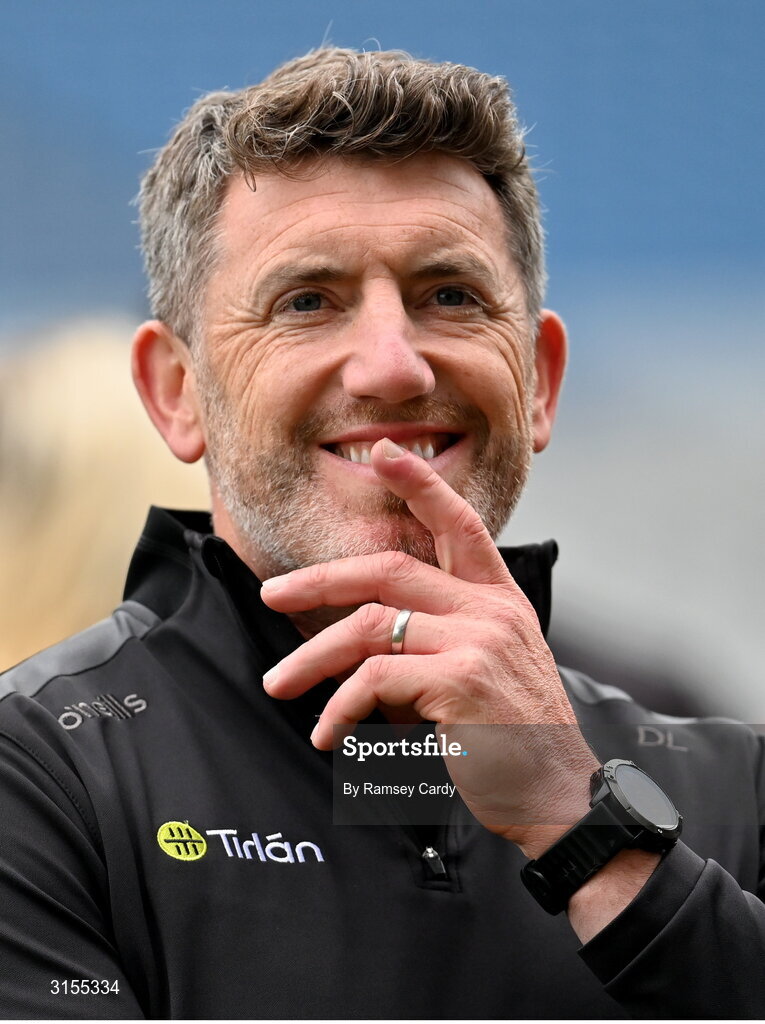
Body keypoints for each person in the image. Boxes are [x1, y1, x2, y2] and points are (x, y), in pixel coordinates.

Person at [0, 47, 762, 1020]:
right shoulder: (35, 777)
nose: (392, 367)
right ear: (176, 391)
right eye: (307, 301)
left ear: (540, 378)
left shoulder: (732, 779)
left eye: (450, 294)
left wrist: (585, 828)